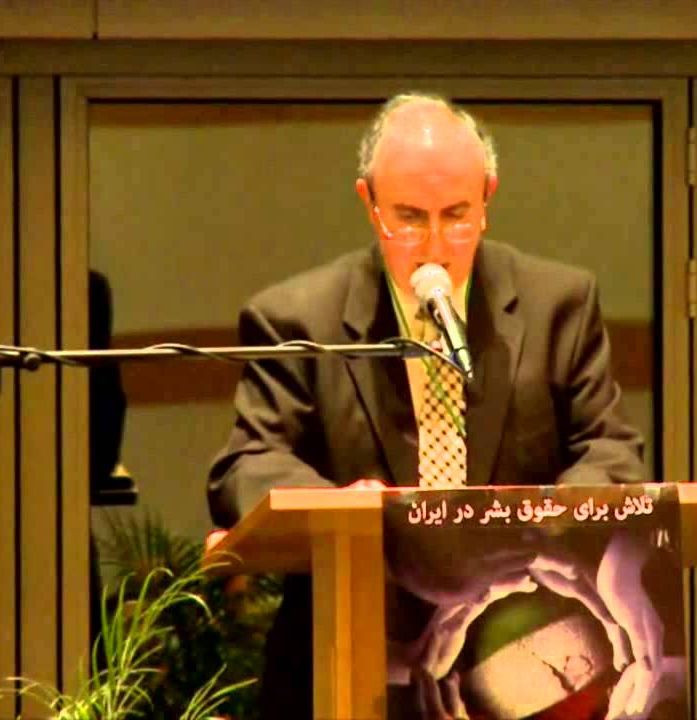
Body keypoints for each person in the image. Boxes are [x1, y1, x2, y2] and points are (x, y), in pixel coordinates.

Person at [206, 92, 646, 718]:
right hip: (346, 653)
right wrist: (343, 512)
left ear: (488, 198)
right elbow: (245, 465)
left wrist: (532, 523)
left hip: (516, 651)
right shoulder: (298, 318)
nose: (435, 246)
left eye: (457, 215)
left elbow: (612, 450)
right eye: (409, 218)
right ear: (369, 203)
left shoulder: (558, 304)